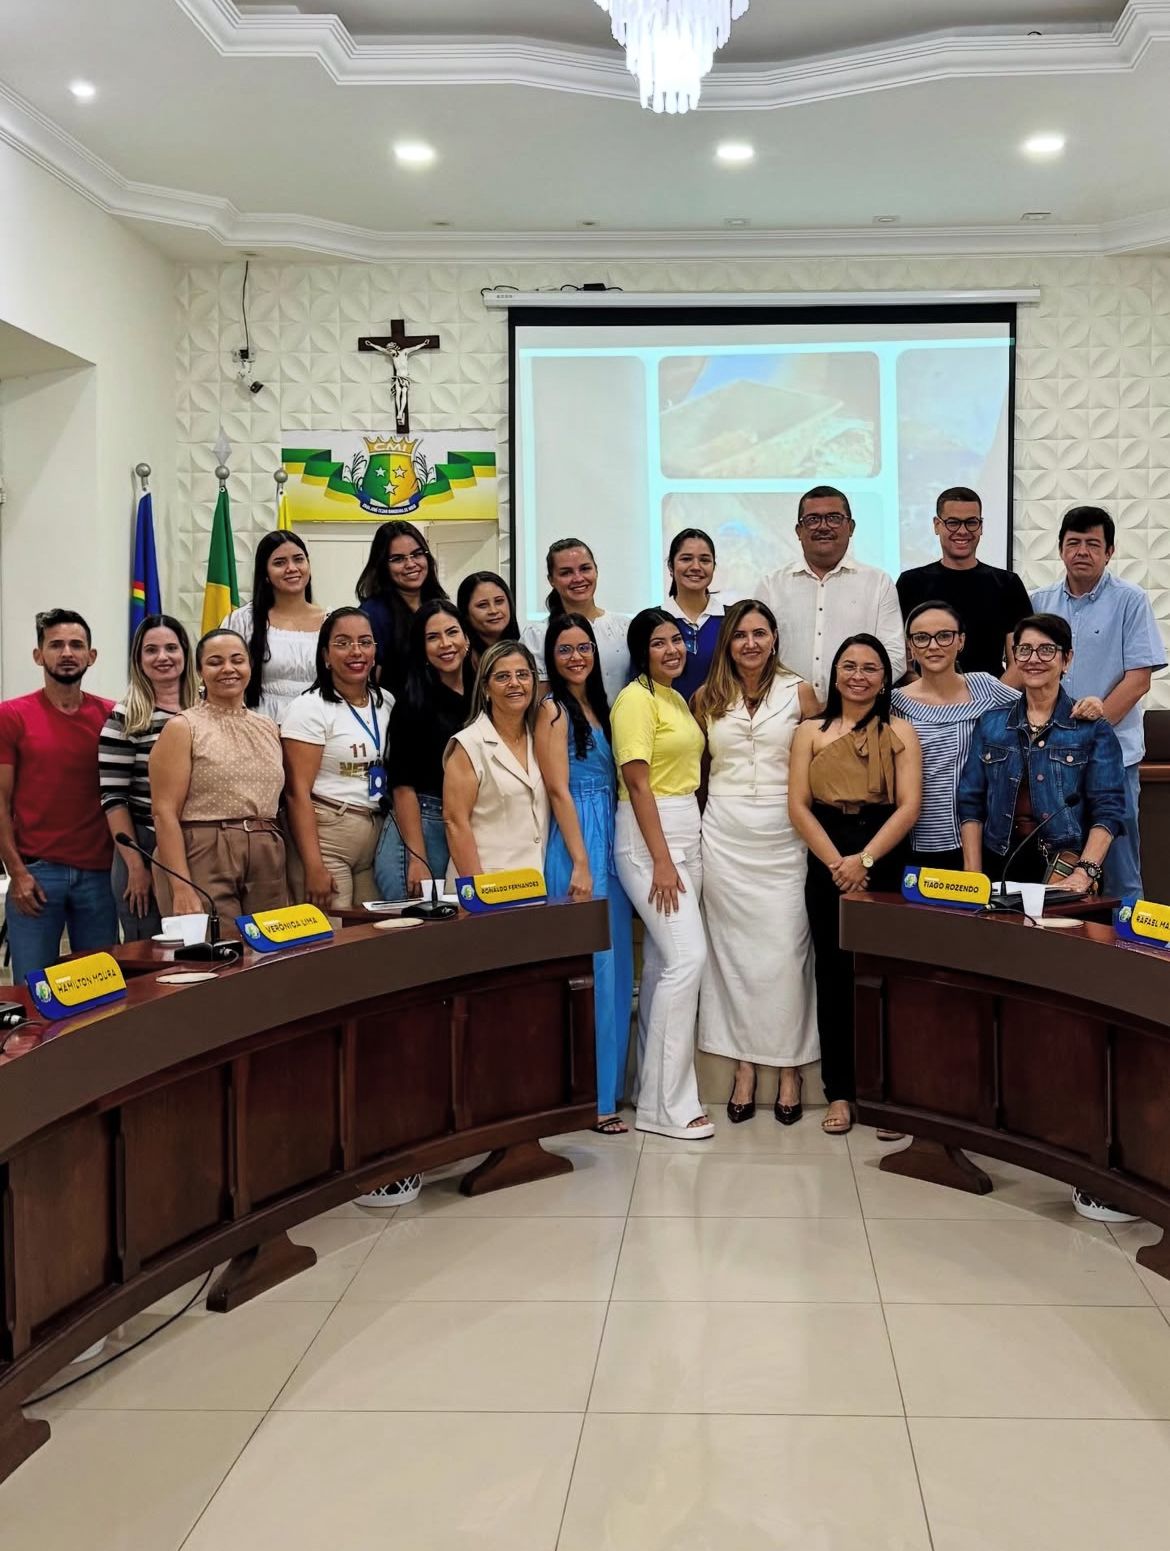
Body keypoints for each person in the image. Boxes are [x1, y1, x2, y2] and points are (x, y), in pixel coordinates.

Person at [958, 611, 1131, 1226]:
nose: (1034, 659)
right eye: (1024, 650)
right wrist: (974, 880)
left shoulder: (1090, 727)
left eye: (1046, 650)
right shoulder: (991, 723)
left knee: (1067, 1012)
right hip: (1000, 876)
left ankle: (1074, 1139)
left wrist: (1084, 873)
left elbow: (1110, 808)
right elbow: (969, 803)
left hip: (1067, 879)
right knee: (1002, 999)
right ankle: (1011, 1123)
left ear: (1066, 658)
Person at [692, 600, 820, 1125]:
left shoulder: (800, 692)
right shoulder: (706, 697)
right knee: (733, 957)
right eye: (741, 634)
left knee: (787, 953)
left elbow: (821, 763)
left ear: (774, 639)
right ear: (728, 642)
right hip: (724, 836)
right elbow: (698, 772)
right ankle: (744, 1066)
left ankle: (790, 1068)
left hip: (785, 835)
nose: (750, 643)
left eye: (760, 633)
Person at [789, 635, 921, 1136]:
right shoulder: (810, 732)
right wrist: (838, 864)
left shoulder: (901, 730)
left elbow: (909, 805)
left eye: (870, 668)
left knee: (885, 974)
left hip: (883, 853)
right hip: (827, 853)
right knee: (833, 973)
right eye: (849, 666)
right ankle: (840, 1092)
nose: (858, 676)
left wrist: (864, 860)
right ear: (835, 674)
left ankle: (887, 1095)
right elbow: (797, 805)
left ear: (885, 678)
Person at [611, 609, 713, 1142]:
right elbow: (637, 784)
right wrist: (662, 860)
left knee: (660, 965)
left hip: (684, 826)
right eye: (659, 642)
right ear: (641, 651)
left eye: (677, 639)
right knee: (686, 958)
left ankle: (650, 1094)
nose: (672, 649)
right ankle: (667, 1107)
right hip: (650, 835)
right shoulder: (635, 699)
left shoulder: (674, 697)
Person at [1031, 505, 1165, 900]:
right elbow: (1027, 673)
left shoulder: (1130, 600)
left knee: (1121, 870)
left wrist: (1093, 728)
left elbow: (1139, 679)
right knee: (1058, 870)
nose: (1082, 552)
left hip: (1114, 756)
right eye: (1073, 542)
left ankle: (1128, 939)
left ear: (1109, 552)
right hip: (1052, 760)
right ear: (1060, 549)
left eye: (1093, 544)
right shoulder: (1038, 602)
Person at [535, 613, 634, 1135]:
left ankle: (608, 1088)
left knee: (616, 967)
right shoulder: (552, 709)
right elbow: (556, 788)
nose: (576, 657)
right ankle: (589, 1099)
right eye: (565, 649)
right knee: (590, 969)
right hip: (578, 838)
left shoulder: (602, 705)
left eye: (583, 647)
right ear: (551, 658)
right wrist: (579, 860)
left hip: (611, 834)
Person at [0, 610, 119, 982]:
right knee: (33, 991)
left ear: (91, 656)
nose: (67, 653)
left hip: (100, 876)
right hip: (36, 875)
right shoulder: (11, 716)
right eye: (56, 645)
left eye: (76, 645)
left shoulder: (112, 716)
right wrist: (16, 872)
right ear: (39, 655)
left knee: (101, 990)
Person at [149, 629, 288, 933]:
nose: (228, 669)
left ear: (250, 666)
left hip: (266, 852)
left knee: (271, 951)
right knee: (219, 950)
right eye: (215, 662)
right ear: (200, 671)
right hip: (205, 851)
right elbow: (164, 812)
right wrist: (181, 886)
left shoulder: (268, 726)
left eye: (237, 660)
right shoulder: (183, 727)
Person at [892, 601, 1020, 871]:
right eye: (922, 638)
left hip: (985, 839)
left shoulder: (985, 687)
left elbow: (1039, 712)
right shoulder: (895, 704)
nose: (933, 646)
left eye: (944, 636)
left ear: (961, 641)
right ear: (910, 646)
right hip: (918, 840)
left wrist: (1086, 705)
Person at [755, 486, 906, 701]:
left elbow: (894, 656)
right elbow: (756, 653)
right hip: (784, 710)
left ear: (851, 527)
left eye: (834, 518)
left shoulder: (878, 583)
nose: (823, 526)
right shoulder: (771, 585)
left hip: (857, 710)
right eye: (813, 519)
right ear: (799, 531)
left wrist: (853, 699)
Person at [99, 614, 199, 940]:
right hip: (143, 844)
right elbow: (113, 799)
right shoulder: (126, 717)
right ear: (138, 659)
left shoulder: (206, 708)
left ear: (185, 653)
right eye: (151, 650)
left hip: (199, 843)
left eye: (171, 648)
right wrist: (136, 867)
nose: (162, 657)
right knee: (151, 951)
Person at [281, 608, 386, 911]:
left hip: (375, 835)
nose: (356, 651)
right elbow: (296, 793)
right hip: (328, 838)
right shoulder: (309, 708)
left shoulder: (387, 702)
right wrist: (313, 866)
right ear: (326, 655)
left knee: (375, 930)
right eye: (343, 643)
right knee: (335, 931)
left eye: (364, 642)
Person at [375, 600, 473, 899]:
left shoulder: (483, 694)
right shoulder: (412, 703)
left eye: (452, 632)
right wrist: (417, 858)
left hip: (466, 821)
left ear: (466, 638)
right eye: (433, 637)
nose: (445, 644)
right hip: (423, 825)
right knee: (415, 924)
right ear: (422, 649)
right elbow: (403, 787)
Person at [896, 487, 1032, 678]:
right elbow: (903, 663)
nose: (962, 531)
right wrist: (926, 693)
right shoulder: (910, 583)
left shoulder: (1008, 584)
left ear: (981, 526)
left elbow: (1020, 663)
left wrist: (992, 695)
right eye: (953, 523)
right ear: (937, 525)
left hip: (993, 695)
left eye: (971, 522)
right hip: (925, 695)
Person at [444, 640, 549, 877]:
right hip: (485, 881)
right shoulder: (468, 744)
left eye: (522, 674)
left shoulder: (540, 738)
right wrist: (479, 889)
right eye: (502, 677)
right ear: (485, 688)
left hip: (536, 880)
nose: (515, 683)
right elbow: (455, 822)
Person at [223, 531, 325, 723]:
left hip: (318, 724)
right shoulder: (243, 620)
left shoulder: (331, 622)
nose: (292, 568)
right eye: (279, 563)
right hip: (256, 724)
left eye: (298, 559)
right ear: (266, 574)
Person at [521, 537, 631, 706]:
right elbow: (539, 704)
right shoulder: (537, 636)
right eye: (566, 573)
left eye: (585, 569)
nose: (578, 578)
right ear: (551, 580)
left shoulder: (624, 627)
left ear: (596, 571)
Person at [355, 519, 449, 696]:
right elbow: (367, 683)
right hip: (396, 709)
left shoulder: (439, 605)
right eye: (398, 559)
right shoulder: (372, 614)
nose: (411, 564)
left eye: (417, 554)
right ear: (382, 565)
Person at [662, 527, 736, 701]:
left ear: (713, 567)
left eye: (704, 560)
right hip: (665, 717)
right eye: (686, 559)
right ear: (671, 566)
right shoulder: (652, 622)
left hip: (723, 716)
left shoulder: (733, 620)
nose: (696, 567)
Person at [456, 570, 520, 668]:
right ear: (466, 613)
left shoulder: (525, 648)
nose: (493, 611)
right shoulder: (460, 660)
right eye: (482, 605)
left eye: (499, 601)